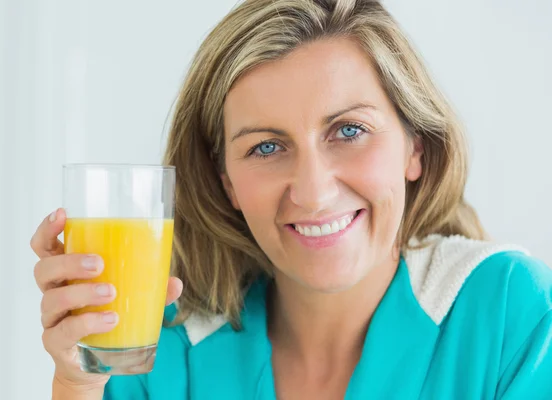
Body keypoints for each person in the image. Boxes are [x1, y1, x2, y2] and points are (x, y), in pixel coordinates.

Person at [31, 0, 552, 398]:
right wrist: (76, 385)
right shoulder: (160, 345)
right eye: (267, 146)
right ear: (226, 182)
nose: (314, 191)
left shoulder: (514, 312)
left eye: (349, 131)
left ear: (415, 147)